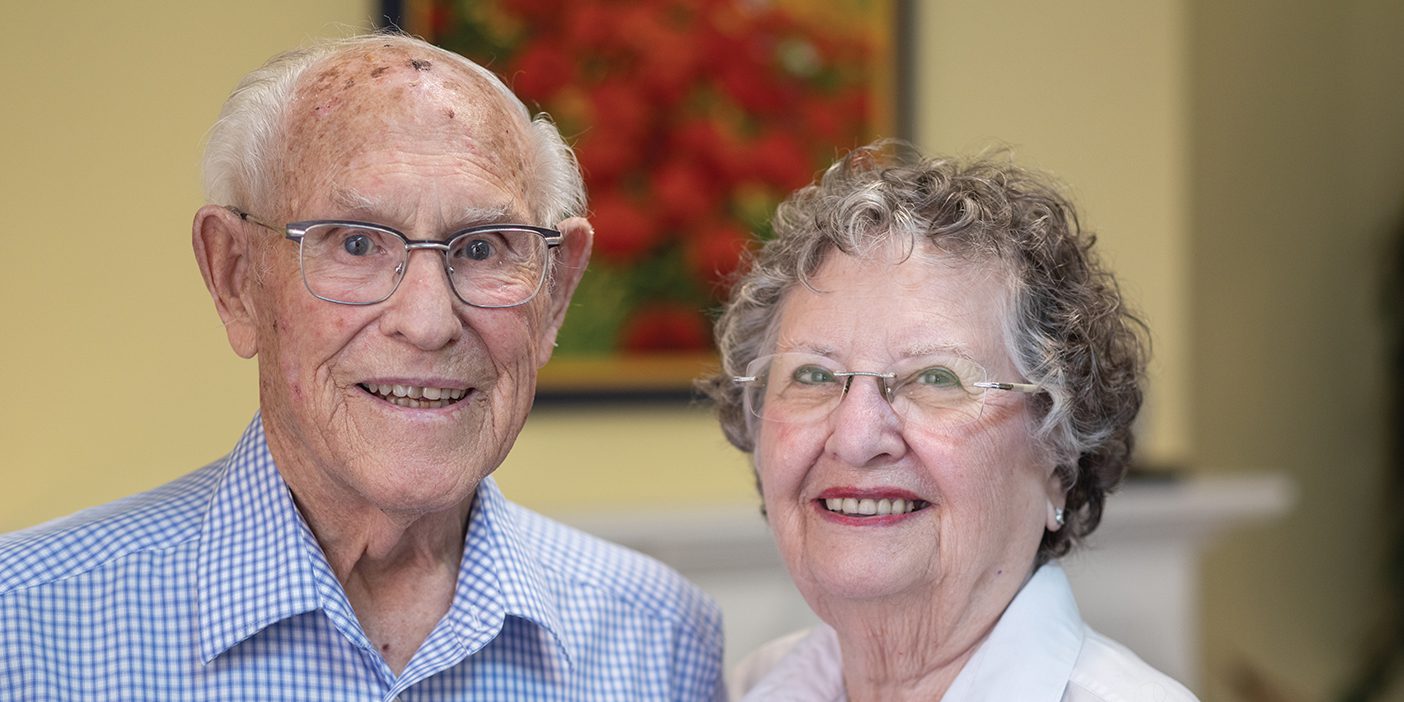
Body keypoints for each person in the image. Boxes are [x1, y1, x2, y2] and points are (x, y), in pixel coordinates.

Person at [0, 33, 723, 699]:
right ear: (235, 278)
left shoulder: (659, 638)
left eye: (482, 248)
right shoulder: (25, 626)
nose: (429, 321)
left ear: (556, 291)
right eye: (355, 244)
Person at [702, 140, 1198, 701]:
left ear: (1061, 458)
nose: (857, 437)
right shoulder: (745, 688)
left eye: (936, 378)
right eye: (814, 376)